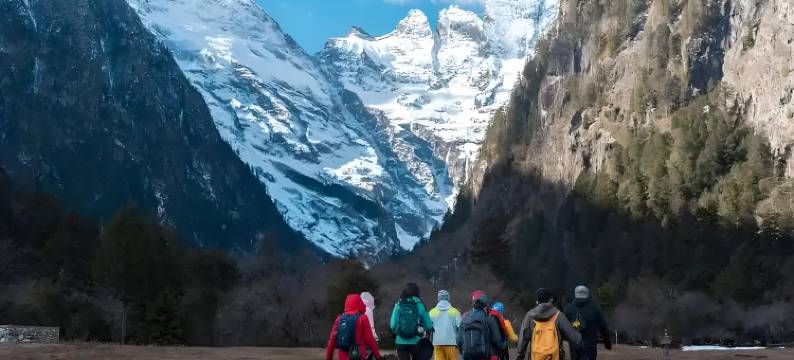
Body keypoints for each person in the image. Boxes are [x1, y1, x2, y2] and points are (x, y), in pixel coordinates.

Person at [516, 288, 582, 360]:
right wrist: (578, 327)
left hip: (536, 357)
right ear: (550, 300)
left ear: (537, 301)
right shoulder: (558, 315)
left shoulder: (529, 316)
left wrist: (520, 355)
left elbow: (523, 338)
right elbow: (576, 339)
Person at [327, 294, 383, 360]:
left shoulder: (340, 318)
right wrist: (378, 356)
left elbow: (332, 340)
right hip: (359, 355)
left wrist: (329, 357)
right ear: (359, 303)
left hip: (343, 356)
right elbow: (370, 340)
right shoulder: (362, 318)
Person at [563, 286, 612, 360]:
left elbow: (563, 328)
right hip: (589, 347)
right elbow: (603, 326)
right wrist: (607, 342)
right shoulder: (594, 309)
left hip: (573, 347)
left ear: (575, 294)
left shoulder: (568, 309)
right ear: (587, 294)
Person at [390, 283, 434, 360]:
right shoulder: (419, 305)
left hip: (400, 341)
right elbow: (429, 325)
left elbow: (393, 325)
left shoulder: (399, 304)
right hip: (416, 341)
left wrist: (399, 332)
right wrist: (422, 329)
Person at [458, 291, 506, 360]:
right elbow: (496, 340)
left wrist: (462, 352)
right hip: (483, 355)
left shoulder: (465, 318)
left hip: (467, 355)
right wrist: (504, 345)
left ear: (472, 303)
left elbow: (459, 339)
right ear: (485, 304)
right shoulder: (489, 318)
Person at [429, 290, 462, 360]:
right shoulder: (455, 312)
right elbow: (461, 328)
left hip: (437, 343)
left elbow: (428, 327)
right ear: (448, 298)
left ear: (438, 298)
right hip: (452, 343)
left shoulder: (432, 312)